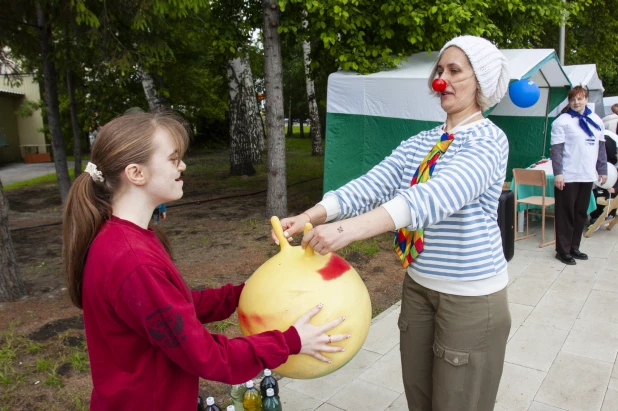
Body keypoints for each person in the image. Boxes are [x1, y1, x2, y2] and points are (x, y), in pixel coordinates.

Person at [274, 36, 511, 411]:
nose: (441, 80)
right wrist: (312, 215)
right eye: (439, 70)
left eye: (454, 71)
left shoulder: (489, 142)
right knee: (419, 394)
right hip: (418, 285)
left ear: (479, 80)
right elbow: (372, 184)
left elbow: (434, 197)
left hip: (470, 296)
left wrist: (347, 230)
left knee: (458, 403)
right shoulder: (422, 142)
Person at [61, 112, 349, 410]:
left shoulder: (125, 238)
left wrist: (249, 291)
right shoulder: (133, 261)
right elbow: (206, 357)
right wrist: (290, 342)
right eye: (174, 159)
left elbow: (174, 309)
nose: (183, 166)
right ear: (136, 173)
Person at [551, 86, 607, 265]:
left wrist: (602, 170)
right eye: (573, 99)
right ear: (569, 101)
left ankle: (574, 247)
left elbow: (601, 148)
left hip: (587, 174)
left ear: (586, 99)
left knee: (580, 213)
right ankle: (562, 250)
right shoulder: (562, 121)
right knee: (565, 214)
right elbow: (557, 150)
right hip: (568, 174)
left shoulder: (596, 120)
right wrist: (558, 173)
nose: (576, 102)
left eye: (580, 99)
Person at [590, 131, 617, 227]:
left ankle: (605, 214)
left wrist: (615, 189)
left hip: (611, 192)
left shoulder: (613, 167)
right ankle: (595, 215)